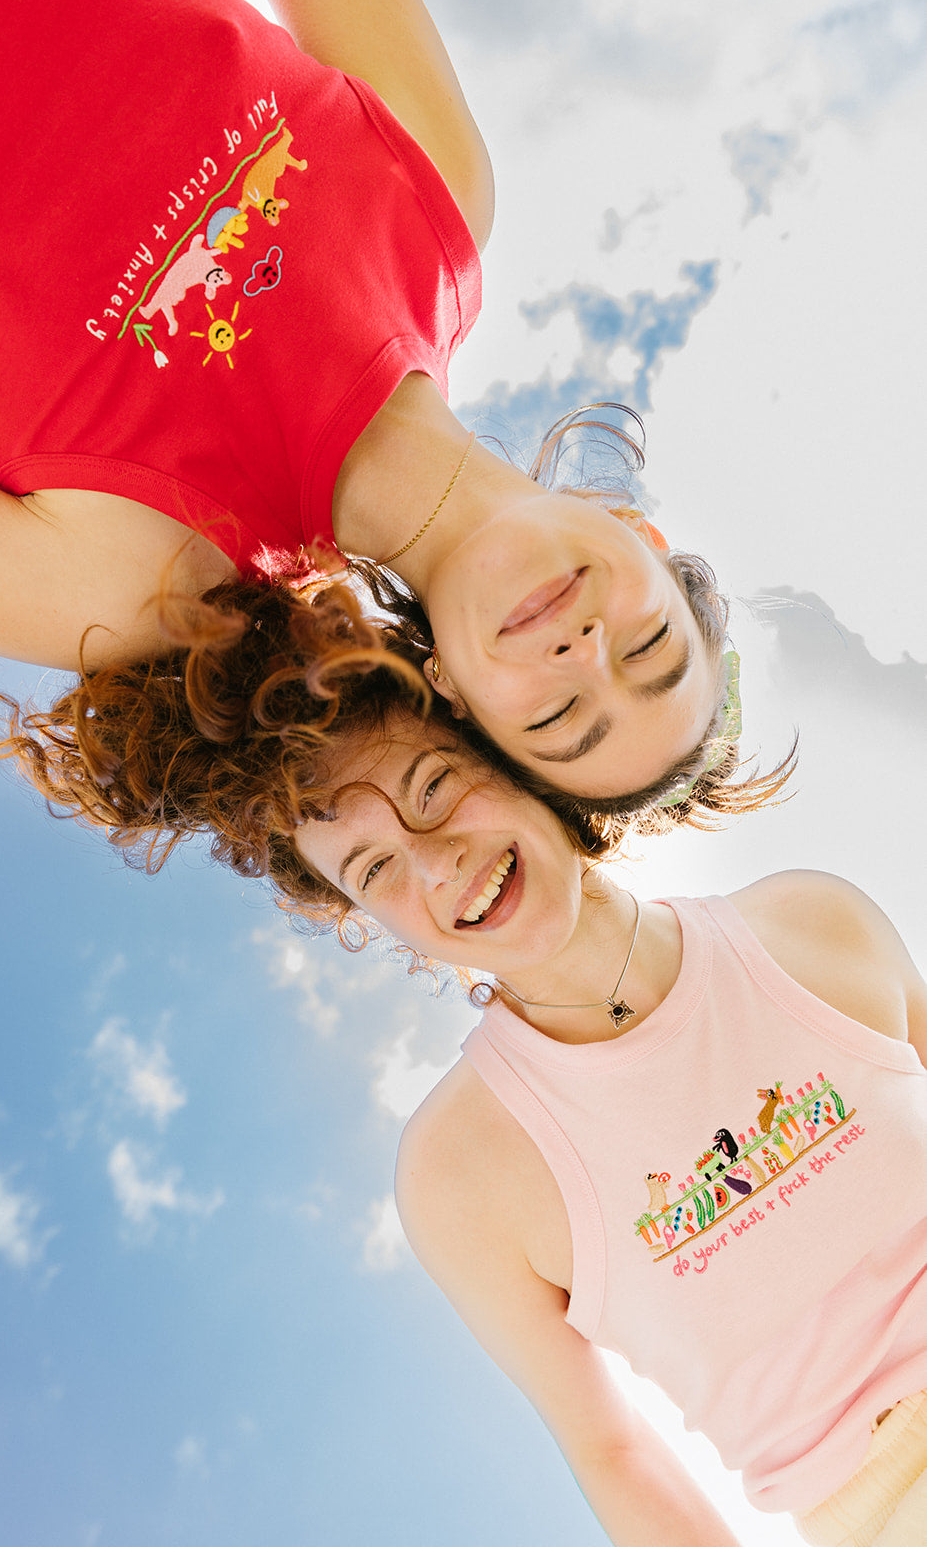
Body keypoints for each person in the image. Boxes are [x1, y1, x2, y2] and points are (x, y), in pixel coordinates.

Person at [0, 0, 782, 857]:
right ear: (641, 537)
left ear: (451, 700)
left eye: (557, 718)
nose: (583, 657)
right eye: (647, 647)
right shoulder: (440, 194)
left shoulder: (139, 576)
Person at [226, 652, 927, 1546]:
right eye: (373, 870)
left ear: (513, 754)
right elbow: (612, 1447)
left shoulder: (809, 920)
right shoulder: (460, 1172)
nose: (437, 866)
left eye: (433, 786)